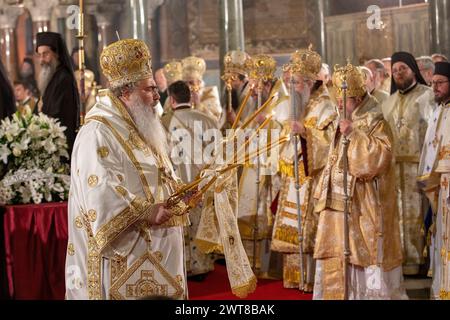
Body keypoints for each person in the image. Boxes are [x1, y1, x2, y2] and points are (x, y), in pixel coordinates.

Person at [65, 39, 189, 300]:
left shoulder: (142, 124)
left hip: (158, 246)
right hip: (124, 252)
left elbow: (161, 171)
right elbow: (99, 189)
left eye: (156, 89)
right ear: (126, 93)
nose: (157, 97)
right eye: (149, 90)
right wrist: (147, 211)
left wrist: (181, 193)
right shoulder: (97, 131)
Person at [313, 63, 407, 300]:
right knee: (336, 250)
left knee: (363, 254)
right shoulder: (343, 116)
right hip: (337, 200)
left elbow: (377, 160)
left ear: (357, 96)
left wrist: (353, 134)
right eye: (338, 99)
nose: (340, 104)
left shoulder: (376, 120)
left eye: (345, 100)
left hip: (363, 202)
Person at [271, 47, 337, 292]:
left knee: (309, 228)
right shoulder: (298, 103)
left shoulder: (326, 106)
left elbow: (331, 141)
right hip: (294, 175)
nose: (293, 87)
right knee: (292, 225)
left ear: (310, 82)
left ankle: (310, 279)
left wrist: (307, 133)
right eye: (291, 82)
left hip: (313, 177)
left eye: (297, 83)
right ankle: (293, 277)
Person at [382, 51, 435, 276]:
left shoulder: (428, 96)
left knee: (419, 214)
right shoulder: (388, 101)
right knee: (398, 216)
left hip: (420, 167)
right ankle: (401, 261)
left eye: (402, 68)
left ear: (413, 69)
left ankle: (422, 262)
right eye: (394, 71)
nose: (398, 73)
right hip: (394, 168)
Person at [161, 80, 218, 280]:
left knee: (181, 225)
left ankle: (183, 266)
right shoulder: (208, 119)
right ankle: (202, 266)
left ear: (171, 99)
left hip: (177, 182)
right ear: (190, 96)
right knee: (200, 223)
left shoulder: (164, 121)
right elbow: (218, 154)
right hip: (203, 182)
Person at [417, 61, 450, 299]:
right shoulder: (437, 110)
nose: (435, 87)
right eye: (433, 83)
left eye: (440, 83)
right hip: (438, 187)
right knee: (440, 240)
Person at [36, 32, 80, 153]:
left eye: (45, 54)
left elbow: (57, 113)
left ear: (56, 54)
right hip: (50, 141)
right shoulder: (50, 77)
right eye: (39, 55)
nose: (41, 60)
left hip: (61, 143)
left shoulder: (64, 78)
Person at [181, 56, 222, 122]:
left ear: (199, 82)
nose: (188, 86)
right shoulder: (179, 96)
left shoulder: (210, 93)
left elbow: (216, 120)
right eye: (185, 83)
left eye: (191, 82)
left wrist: (198, 104)